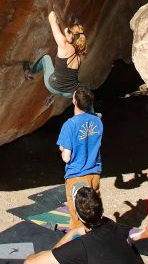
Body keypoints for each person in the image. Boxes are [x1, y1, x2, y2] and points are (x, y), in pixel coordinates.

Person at [25, 185, 142, 264]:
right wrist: (59, 249)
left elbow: (30, 262)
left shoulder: (81, 246)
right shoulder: (109, 224)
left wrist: (32, 255)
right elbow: (78, 230)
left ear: (77, 214)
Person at [58, 87, 102, 230]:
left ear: (74, 101)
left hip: (77, 175)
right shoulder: (98, 122)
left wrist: (63, 149)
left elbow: (66, 157)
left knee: (79, 217)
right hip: (94, 172)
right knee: (93, 211)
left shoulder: (69, 125)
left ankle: (81, 244)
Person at [24, 0, 87, 99]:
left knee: (46, 58)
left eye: (69, 32)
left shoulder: (63, 44)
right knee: (84, 92)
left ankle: (30, 72)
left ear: (71, 36)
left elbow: (52, 22)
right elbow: (65, 29)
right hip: (70, 93)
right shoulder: (82, 54)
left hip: (53, 86)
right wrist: (59, 14)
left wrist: (49, 2)